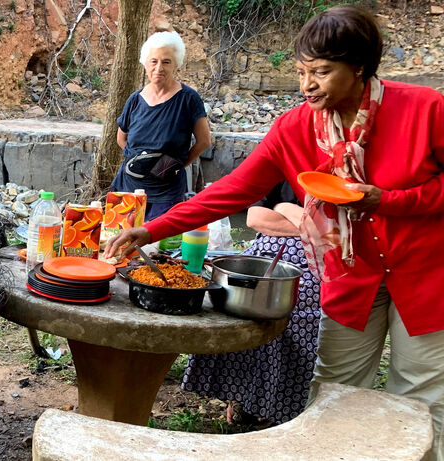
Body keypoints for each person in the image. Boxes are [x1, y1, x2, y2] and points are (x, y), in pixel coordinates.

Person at [105, 6, 444, 459]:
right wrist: (151, 229)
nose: (307, 85)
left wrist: (389, 201)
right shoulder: (294, 127)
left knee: (421, 395)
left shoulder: (425, 109)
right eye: (303, 72)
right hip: (349, 272)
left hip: (426, 273)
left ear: (359, 67)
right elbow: (233, 190)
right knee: (336, 390)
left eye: (321, 72)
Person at [182, 182, 321, 426]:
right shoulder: (284, 168)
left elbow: (328, 231)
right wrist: (301, 219)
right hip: (262, 257)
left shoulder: (347, 172)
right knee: (236, 305)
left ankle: (281, 408)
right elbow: (256, 218)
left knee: (297, 316)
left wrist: (283, 208)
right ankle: (241, 397)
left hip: (315, 266)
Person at [111, 31, 211, 221]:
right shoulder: (135, 99)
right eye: (153, 61)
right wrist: (140, 161)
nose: (159, 68)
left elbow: (204, 141)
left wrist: (174, 165)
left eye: (166, 62)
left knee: (159, 247)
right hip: (128, 186)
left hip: (166, 191)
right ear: (145, 63)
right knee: (119, 242)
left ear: (176, 64)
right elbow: (121, 138)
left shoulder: (189, 99)